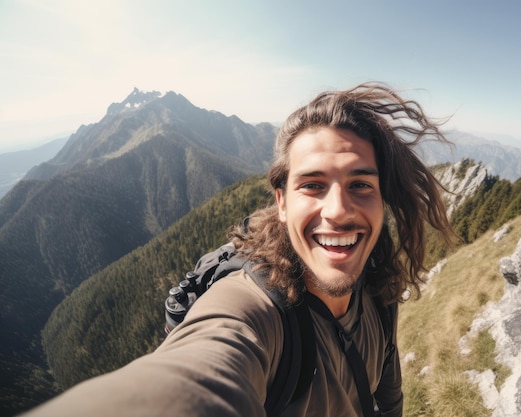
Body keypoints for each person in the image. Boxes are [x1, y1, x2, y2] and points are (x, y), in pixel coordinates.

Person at [22, 82, 456, 417]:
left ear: (382, 202)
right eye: (313, 185)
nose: (339, 210)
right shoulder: (253, 308)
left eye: (360, 184)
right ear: (282, 202)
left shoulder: (378, 285)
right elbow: (201, 367)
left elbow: (388, 392)